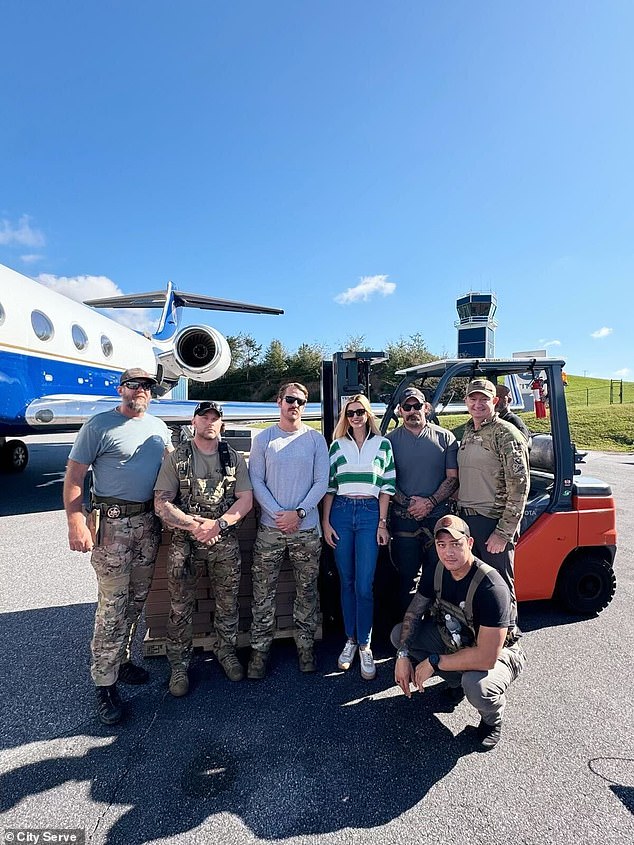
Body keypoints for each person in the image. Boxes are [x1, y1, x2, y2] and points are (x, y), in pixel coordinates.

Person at [63, 367, 172, 725]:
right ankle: (104, 682)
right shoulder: (99, 426)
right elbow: (76, 475)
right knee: (112, 605)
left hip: (146, 524)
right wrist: (76, 520)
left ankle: (122, 661)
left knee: (136, 600)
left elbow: (173, 467)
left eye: (146, 387)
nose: (140, 391)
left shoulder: (158, 428)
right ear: (121, 389)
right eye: (133, 385)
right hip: (112, 526)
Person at [393, 515, 526, 750]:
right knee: (398, 636)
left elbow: (487, 657)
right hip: (457, 640)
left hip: (499, 653)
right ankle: (455, 683)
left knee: (477, 685)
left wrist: (434, 661)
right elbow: (413, 614)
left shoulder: (491, 588)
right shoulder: (436, 568)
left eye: (456, 544)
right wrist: (402, 656)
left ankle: (491, 720)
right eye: (441, 545)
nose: (448, 553)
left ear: (470, 543)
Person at [153, 401, 253, 696]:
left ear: (221, 423)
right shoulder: (178, 458)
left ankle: (226, 652)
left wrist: (219, 525)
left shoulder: (233, 458)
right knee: (180, 607)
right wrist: (193, 526)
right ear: (193, 421)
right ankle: (180, 665)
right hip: (186, 542)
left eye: (215, 418)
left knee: (227, 602)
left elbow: (245, 499)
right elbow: (162, 501)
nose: (209, 422)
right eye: (204, 416)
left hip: (223, 540)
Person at [247, 382, 329, 679]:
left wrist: (300, 513)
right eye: (290, 399)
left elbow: (322, 481)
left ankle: (306, 648)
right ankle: (259, 652)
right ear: (279, 402)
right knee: (263, 593)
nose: (295, 405)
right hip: (271, 529)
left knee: (306, 592)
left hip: (306, 530)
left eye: (301, 401)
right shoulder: (265, 439)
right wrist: (279, 515)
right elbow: (256, 479)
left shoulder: (315, 440)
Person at [321, 394, 395, 680]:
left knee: (365, 583)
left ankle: (365, 643)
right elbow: (329, 486)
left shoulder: (382, 445)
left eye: (360, 411)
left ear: (368, 414)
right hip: (341, 511)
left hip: (368, 513)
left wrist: (382, 523)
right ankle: (349, 640)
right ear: (345, 416)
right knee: (347, 580)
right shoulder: (337, 446)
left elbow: (387, 486)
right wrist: (326, 522)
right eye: (350, 412)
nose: (355, 416)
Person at [387, 386, 459, 613]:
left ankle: (440, 629)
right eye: (407, 407)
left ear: (426, 408)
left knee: (440, 575)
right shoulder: (388, 442)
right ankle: (407, 633)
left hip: (438, 519)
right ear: (400, 411)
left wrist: (430, 502)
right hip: (403, 520)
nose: (412, 411)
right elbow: (385, 480)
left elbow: (453, 479)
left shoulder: (445, 437)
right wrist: (410, 503)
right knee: (406, 578)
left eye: (417, 405)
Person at [457, 378, 529, 597]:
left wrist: (503, 532)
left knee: (499, 587)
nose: (477, 404)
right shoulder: (469, 432)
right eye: (473, 398)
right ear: (466, 401)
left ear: (495, 401)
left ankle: (508, 631)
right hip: (468, 521)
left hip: (492, 523)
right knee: (473, 588)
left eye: (484, 399)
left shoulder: (506, 434)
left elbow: (520, 485)